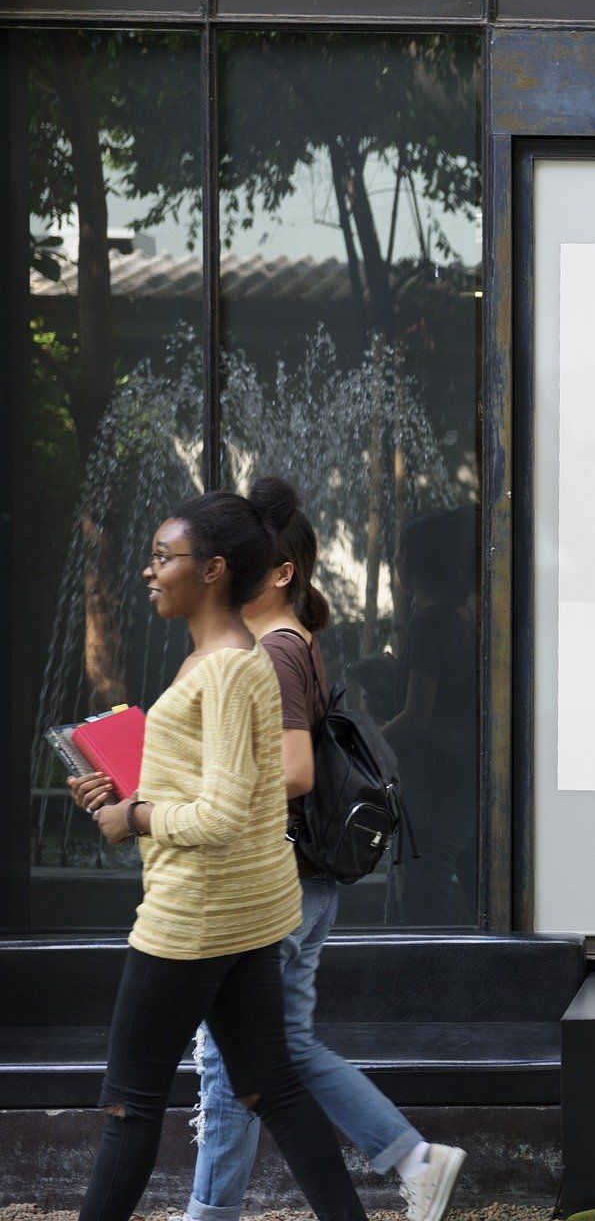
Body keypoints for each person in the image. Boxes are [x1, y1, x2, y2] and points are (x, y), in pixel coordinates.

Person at [65, 492, 366, 1221]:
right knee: (275, 1089)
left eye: (165, 557)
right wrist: (125, 788)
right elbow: (225, 784)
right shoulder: (223, 660)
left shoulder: (229, 669)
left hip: (195, 917)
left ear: (215, 569)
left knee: (129, 1108)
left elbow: (226, 813)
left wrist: (133, 815)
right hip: (243, 913)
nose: (150, 571)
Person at [183, 478, 466, 1221]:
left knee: (227, 1061)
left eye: (232, 564)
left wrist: (193, 793)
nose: (217, 577)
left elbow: (297, 771)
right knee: (282, 1048)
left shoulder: (272, 652)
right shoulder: (295, 641)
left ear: (277, 572)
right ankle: (415, 1158)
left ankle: (209, 1214)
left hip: (272, 881)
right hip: (303, 882)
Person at [383, 506, 480, 925]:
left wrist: (364, 743)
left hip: (431, 787)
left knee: (423, 901)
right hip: (459, 781)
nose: (398, 559)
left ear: (421, 560)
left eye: (404, 550)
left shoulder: (429, 624)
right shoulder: (463, 619)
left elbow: (416, 717)